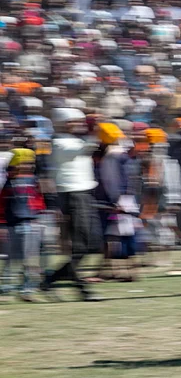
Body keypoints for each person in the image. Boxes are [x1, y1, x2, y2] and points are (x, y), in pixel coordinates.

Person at [41, 108, 102, 301]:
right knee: (81, 246)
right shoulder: (58, 142)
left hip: (84, 194)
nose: (79, 124)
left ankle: (50, 279)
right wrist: (95, 130)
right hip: (73, 195)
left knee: (92, 244)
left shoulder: (75, 140)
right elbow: (86, 148)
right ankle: (80, 289)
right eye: (73, 121)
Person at [0, 149, 45, 301]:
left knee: (30, 259)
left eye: (30, 164)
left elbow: (38, 199)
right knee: (11, 258)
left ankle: (27, 290)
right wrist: (2, 224)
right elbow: (2, 204)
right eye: (23, 163)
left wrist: (39, 213)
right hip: (13, 224)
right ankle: (5, 287)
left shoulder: (33, 180)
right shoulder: (7, 182)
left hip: (31, 222)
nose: (27, 166)